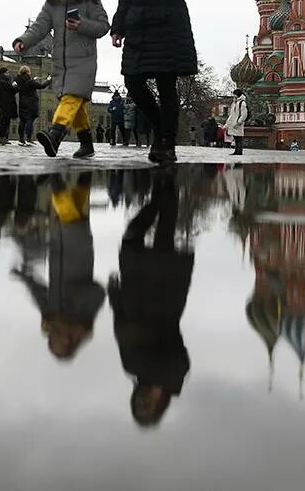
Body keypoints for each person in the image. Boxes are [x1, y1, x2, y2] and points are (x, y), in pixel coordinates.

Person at [111, 0, 198, 165]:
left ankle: (166, 144)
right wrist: (118, 25)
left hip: (168, 25)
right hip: (139, 26)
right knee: (133, 82)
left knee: (166, 85)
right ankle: (162, 128)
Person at [108, 170, 192, 427]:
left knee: (132, 236)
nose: (144, 399)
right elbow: (178, 355)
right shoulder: (172, 376)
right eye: (148, 405)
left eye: (139, 403)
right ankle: (166, 187)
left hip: (137, 290)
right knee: (164, 232)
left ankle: (160, 193)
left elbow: (120, 327)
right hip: (163, 297)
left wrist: (115, 296)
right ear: (160, 404)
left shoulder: (134, 368)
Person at [13, 0, 111, 158]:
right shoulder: (52, 2)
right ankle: (87, 145)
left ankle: (55, 135)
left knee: (70, 97)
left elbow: (103, 26)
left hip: (83, 61)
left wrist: (81, 25)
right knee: (77, 103)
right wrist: (23, 41)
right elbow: (39, 27)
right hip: (60, 63)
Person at [12, 173, 105, 361]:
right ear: (69, 340)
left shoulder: (51, 318)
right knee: (68, 213)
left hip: (59, 247)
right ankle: (55, 178)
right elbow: (99, 292)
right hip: (79, 250)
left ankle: (84, 174)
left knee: (76, 207)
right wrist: (73, 302)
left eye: (50, 341)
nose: (50, 337)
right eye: (54, 341)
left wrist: (25, 277)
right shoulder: (85, 319)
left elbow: (39, 294)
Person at [14, 65, 50, 146]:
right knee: (30, 120)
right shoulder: (30, 82)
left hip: (22, 103)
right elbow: (42, 86)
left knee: (22, 121)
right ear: (27, 72)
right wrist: (48, 80)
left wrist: (33, 79)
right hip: (31, 103)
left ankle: (21, 139)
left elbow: (23, 85)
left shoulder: (19, 81)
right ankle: (29, 139)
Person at [0, 66, 18, 145]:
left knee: (6, 121)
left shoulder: (3, 82)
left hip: (7, 104)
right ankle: (2, 138)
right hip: (5, 104)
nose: (8, 74)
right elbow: (11, 89)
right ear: (3, 73)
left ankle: (5, 138)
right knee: (4, 122)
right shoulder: (2, 82)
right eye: (7, 73)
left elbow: (12, 90)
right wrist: (13, 85)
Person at [224, 88, 248, 156]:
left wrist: (239, 121)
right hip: (233, 123)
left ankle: (239, 151)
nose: (233, 96)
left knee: (239, 138)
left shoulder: (242, 103)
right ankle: (236, 151)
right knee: (236, 138)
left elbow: (244, 114)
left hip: (238, 124)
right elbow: (231, 115)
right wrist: (227, 123)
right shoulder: (234, 103)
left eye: (234, 95)